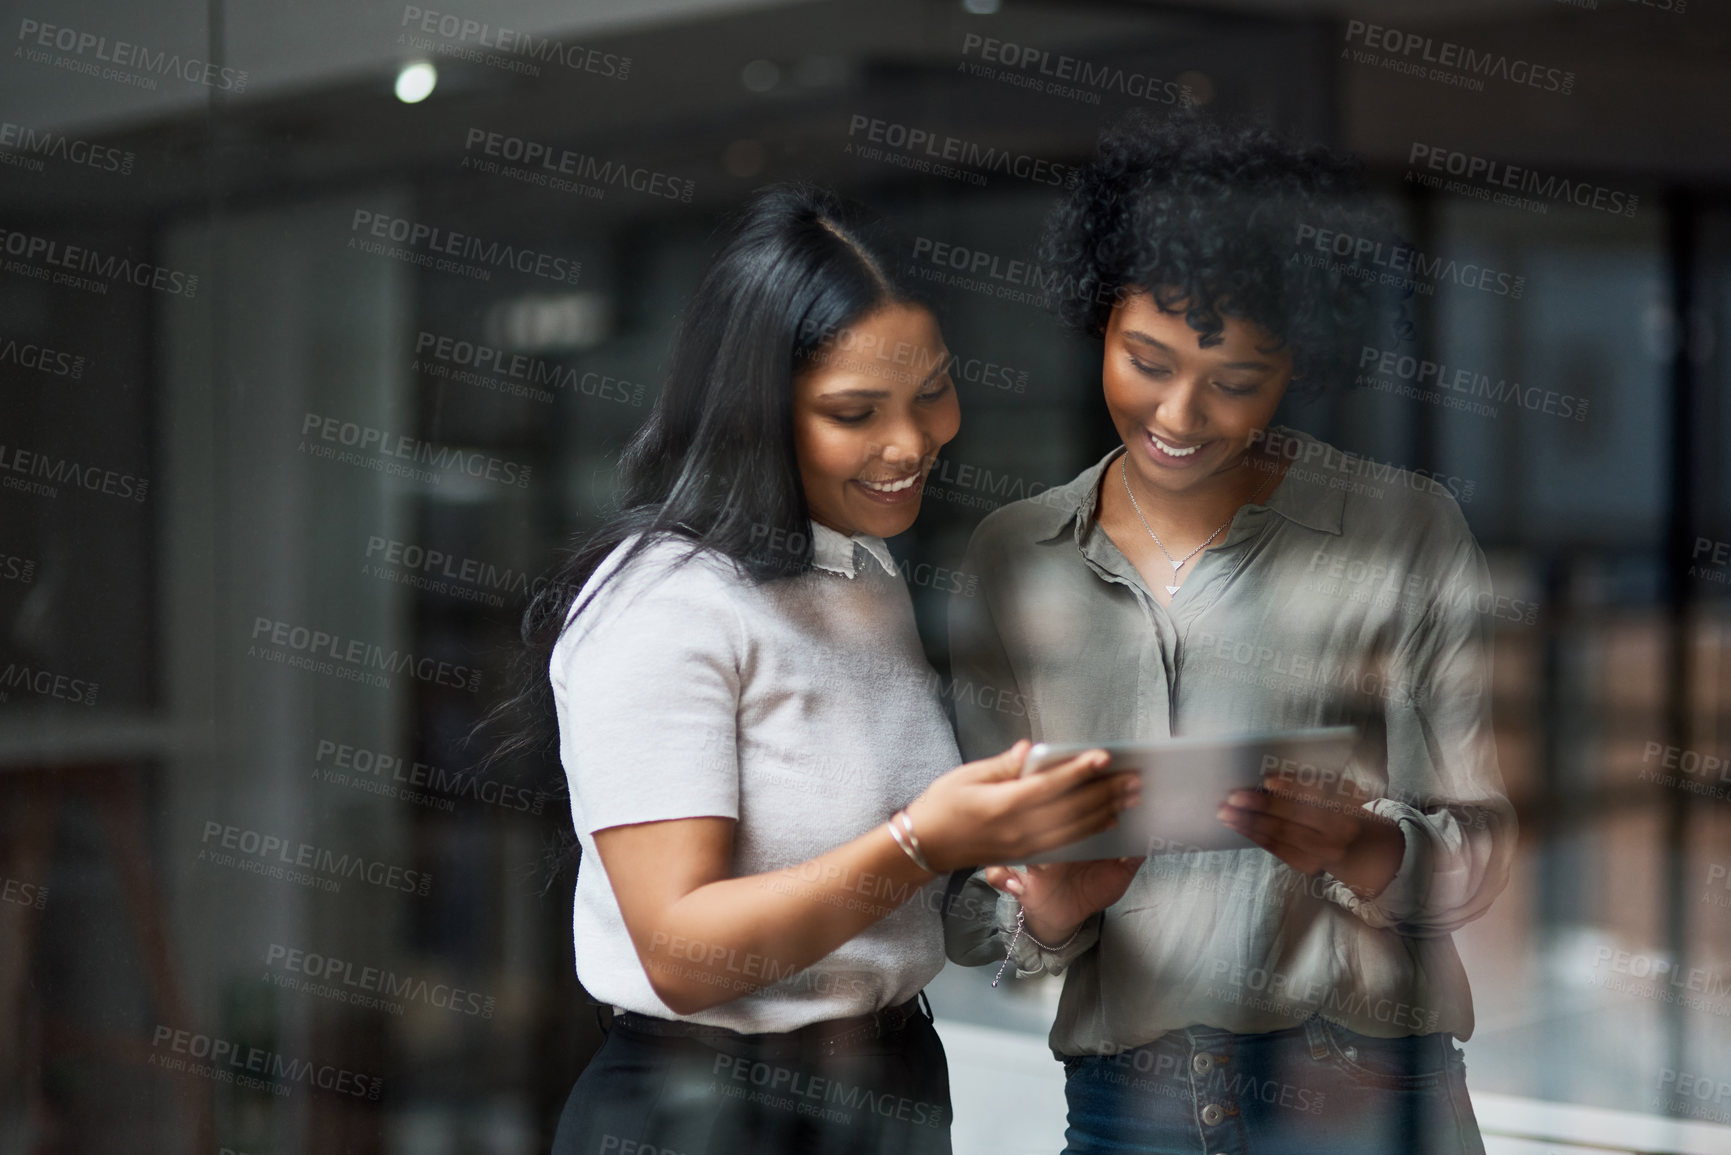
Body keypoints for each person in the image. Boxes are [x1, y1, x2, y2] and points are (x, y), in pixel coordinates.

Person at [519, 183, 1137, 1155]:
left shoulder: (855, 569)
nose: (912, 440)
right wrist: (921, 842)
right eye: (856, 412)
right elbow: (681, 954)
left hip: (884, 1085)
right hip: (710, 1115)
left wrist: (1044, 903)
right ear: (755, 413)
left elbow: (873, 910)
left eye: (932, 388)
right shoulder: (661, 605)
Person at [943, 115, 1517, 1154]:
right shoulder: (1016, 554)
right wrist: (1053, 902)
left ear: (1300, 364)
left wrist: (1362, 845)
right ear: (1096, 320)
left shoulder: (1403, 530)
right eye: (1144, 360)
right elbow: (965, 898)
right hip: (1131, 1103)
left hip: (1370, 1089)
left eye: (1235, 381)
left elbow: (1478, 852)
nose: (1179, 413)